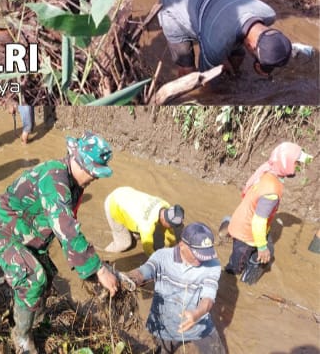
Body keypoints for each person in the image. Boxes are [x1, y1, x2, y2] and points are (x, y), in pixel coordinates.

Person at [0, 132, 119, 354]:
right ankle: (21, 336)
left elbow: (67, 230)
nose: (95, 178)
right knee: (33, 279)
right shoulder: (54, 178)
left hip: (25, 232)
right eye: (93, 173)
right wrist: (99, 269)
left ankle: (34, 318)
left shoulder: (74, 185)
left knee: (48, 273)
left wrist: (91, 270)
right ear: (79, 162)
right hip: (0, 231)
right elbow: (66, 227)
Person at [158, 0, 293, 78]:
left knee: (237, 55)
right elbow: (205, 79)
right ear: (251, 46)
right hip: (174, 2)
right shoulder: (216, 43)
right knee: (189, 72)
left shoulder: (268, 13)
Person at [124, 222, 225, 353]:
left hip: (199, 324)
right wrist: (130, 279)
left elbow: (208, 297)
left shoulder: (213, 265)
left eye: (205, 253)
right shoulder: (162, 256)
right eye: (197, 254)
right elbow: (146, 270)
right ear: (182, 245)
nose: (202, 259)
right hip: (164, 324)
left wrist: (197, 313)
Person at [224, 141, 311, 284]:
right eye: (296, 163)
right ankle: (234, 277)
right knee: (236, 265)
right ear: (286, 163)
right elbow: (258, 222)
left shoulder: (268, 169)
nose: (299, 166)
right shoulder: (271, 191)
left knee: (259, 251)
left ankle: (231, 230)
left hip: (242, 218)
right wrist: (262, 248)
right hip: (246, 233)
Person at [103, 186, 184, 254]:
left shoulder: (165, 205)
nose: (172, 227)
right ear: (164, 220)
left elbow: (169, 234)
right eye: (172, 225)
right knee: (125, 244)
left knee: (145, 233)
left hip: (124, 192)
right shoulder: (146, 226)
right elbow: (148, 250)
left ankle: (133, 234)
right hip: (113, 204)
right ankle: (104, 253)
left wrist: (173, 246)